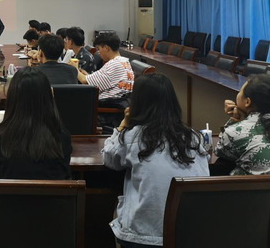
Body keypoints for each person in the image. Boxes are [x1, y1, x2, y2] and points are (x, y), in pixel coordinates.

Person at [102, 74, 209, 247]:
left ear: (137, 103)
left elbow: (109, 158)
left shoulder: (134, 136)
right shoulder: (193, 137)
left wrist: (123, 124)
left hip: (143, 237)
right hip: (190, 234)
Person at [0, 67, 72, 179]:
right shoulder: (61, 137)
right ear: (48, 97)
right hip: (52, 191)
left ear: (12, 97)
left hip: (6, 191)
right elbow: (65, 176)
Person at [214, 74, 270, 175]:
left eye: (240, 91)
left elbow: (219, 150)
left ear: (247, 102)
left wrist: (235, 121)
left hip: (250, 185)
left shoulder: (235, 132)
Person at [75, 32, 133, 103]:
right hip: (119, 102)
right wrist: (88, 76)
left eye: (99, 49)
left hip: (107, 105)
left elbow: (84, 81)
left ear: (106, 48)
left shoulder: (113, 64)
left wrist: (75, 67)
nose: (99, 52)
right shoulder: (124, 61)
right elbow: (103, 80)